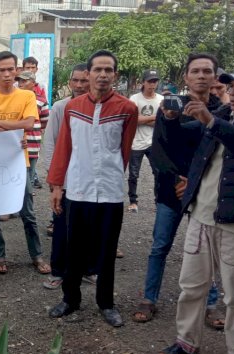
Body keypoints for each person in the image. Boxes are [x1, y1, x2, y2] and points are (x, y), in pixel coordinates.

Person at [158, 62, 234, 354]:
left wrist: (212, 121)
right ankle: (187, 343)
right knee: (191, 287)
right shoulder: (225, 114)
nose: (232, 92)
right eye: (230, 86)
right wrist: (171, 120)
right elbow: (184, 138)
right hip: (201, 216)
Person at [47, 50, 138, 327]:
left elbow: (124, 151)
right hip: (77, 188)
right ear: (88, 74)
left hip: (110, 191)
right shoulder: (73, 107)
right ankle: (70, 299)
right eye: (97, 69)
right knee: (74, 248)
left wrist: (108, 174)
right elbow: (64, 148)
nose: (102, 75)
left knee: (106, 251)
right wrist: (57, 186)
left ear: (115, 75)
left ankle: (106, 303)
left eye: (108, 70)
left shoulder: (127, 109)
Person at [134, 54, 224, 327]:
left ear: (214, 77)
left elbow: (223, 152)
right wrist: (177, 180)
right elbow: (160, 149)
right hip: (171, 190)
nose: (201, 76)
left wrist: (197, 181)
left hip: (206, 191)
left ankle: (210, 304)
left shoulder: (223, 110)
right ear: (186, 77)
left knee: (205, 250)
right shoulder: (171, 107)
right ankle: (149, 298)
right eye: (195, 71)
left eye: (206, 71)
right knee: (160, 246)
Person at [0, 51, 48, 275]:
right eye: (2, 70)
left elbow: (29, 123)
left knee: (27, 210)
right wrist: (14, 127)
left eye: (11, 69)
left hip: (20, 162)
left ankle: (36, 255)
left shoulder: (26, 96)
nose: (7, 74)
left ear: (16, 70)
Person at [41, 64, 91, 290]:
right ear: (70, 83)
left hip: (90, 179)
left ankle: (88, 269)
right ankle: (58, 271)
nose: (79, 85)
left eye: (84, 81)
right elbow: (50, 142)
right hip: (65, 179)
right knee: (61, 224)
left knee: (89, 226)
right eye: (76, 81)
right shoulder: (60, 107)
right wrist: (54, 179)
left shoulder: (98, 107)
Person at [127, 70, 163, 213]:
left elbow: (162, 122)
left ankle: (158, 201)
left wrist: (143, 119)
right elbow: (132, 120)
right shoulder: (134, 99)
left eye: (155, 81)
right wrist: (154, 118)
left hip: (154, 143)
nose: (152, 84)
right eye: (149, 81)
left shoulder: (160, 99)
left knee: (158, 172)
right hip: (136, 142)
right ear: (143, 82)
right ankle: (133, 201)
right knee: (133, 174)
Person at [16, 70, 44, 190]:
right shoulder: (14, 98)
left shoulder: (40, 100)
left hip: (33, 141)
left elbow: (45, 119)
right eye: (19, 81)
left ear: (33, 83)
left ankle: (29, 194)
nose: (20, 84)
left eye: (24, 81)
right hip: (18, 143)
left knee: (30, 173)